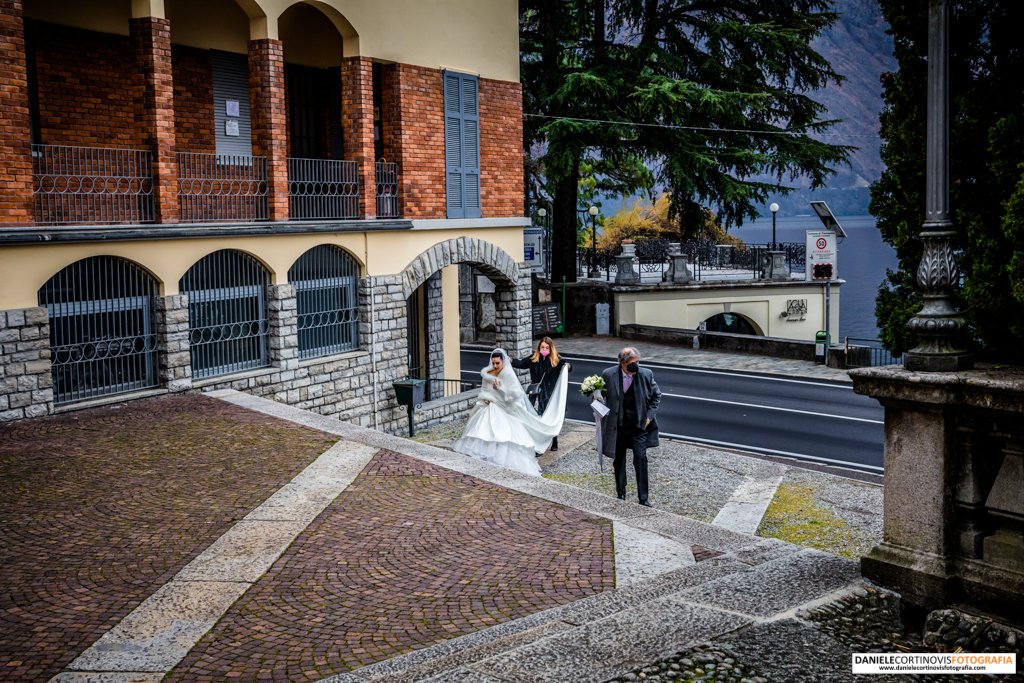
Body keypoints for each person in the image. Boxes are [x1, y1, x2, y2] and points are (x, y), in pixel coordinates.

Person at [454, 348, 569, 476]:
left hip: (504, 408)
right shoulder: (487, 373)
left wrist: (500, 389)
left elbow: (514, 396)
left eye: (498, 363)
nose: (495, 365)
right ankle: (485, 455)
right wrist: (486, 398)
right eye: (493, 363)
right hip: (489, 406)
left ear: (503, 362)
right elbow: (484, 391)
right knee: (483, 429)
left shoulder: (508, 374)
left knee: (503, 432)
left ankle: (499, 457)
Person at [598, 346, 661, 506]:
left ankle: (644, 498)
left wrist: (649, 417)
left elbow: (656, 396)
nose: (636, 366)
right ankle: (621, 493)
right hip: (617, 427)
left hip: (638, 426)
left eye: (637, 362)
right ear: (622, 363)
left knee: (641, 459)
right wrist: (596, 398)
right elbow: (600, 396)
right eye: (632, 363)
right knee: (618, 460)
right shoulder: (608, 374)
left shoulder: (646, 374)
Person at [511, 337, 572, 452]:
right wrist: (510, 360)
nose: (544, 349)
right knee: (535, 417)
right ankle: (537, 443)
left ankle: (554, 440)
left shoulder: (556, 360)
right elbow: (520, 363)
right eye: (542, 347)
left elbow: (567, 366)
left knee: (550, 417)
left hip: (549, 394)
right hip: (535, 393)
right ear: (539, 347)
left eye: (546, 347)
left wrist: (568, 366)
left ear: (550, 348)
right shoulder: (533, 359)